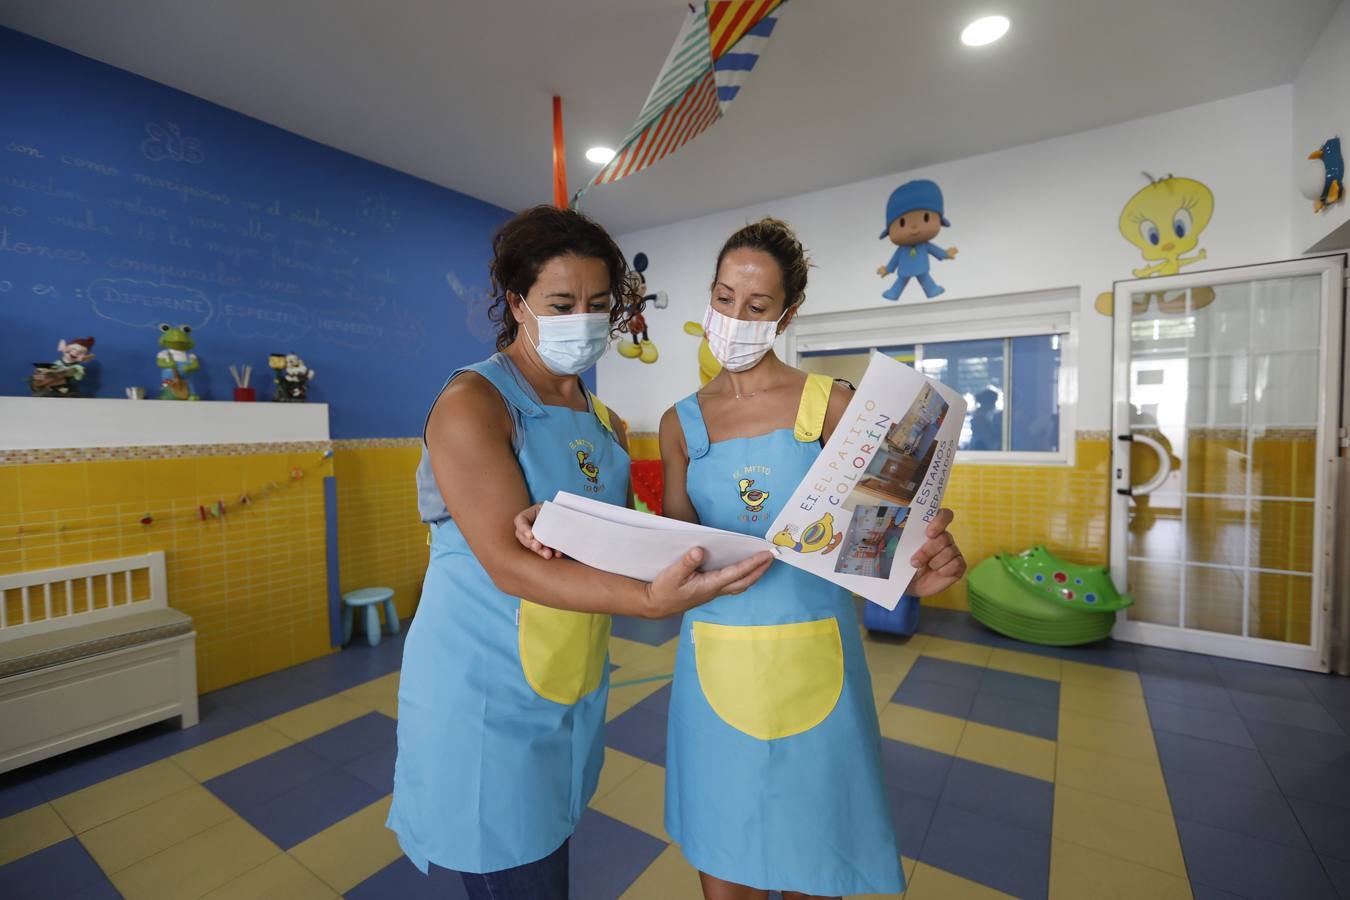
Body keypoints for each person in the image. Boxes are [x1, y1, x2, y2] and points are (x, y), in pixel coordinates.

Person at [519, 218, 967, 899]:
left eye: (756, 307)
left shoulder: (837, 407)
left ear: (788, 313)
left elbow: (886, 547)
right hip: (713, 659)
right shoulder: (681, 423)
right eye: (724, 297)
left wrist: (923, 565)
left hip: (818, 656)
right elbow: (673, 547)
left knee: (814, 858)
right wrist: (575, 534)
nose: (734, 318)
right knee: (724, 851)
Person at [387, 205, 773, 900]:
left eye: (599, 305)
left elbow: (614, 541)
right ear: (517, 302)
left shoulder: (606, 424)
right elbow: (509, 564)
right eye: (561, 304)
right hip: (482, 685)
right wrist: (649, 600)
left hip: (566, 679)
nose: (583, 321)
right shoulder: (475, 403)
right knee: (506, 863)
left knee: (543, 856)